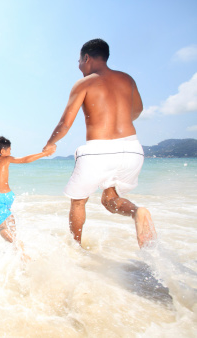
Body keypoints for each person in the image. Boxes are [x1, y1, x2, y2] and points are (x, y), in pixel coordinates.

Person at [42, 38, 157, 248]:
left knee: (78, 201)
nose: (79, 67)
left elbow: (65, 123)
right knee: (109, 199)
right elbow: (138, 111)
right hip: (132, 150)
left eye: (79, 61)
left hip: (99, 151)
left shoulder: (84, 83)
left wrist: (50, 143)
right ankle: (137, 212)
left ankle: (75, 249)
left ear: (86, 58)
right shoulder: (128, 79)